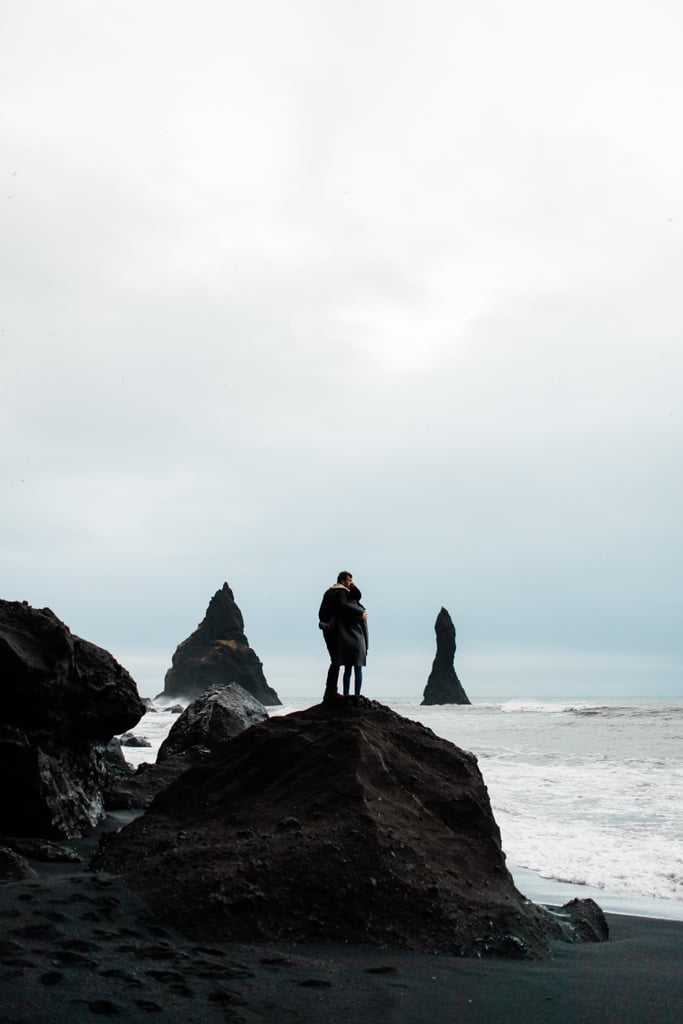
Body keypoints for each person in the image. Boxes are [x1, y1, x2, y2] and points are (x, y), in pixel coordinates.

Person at [318, 571, 368, 701]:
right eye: (349, 580)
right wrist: (361, 612)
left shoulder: (329, 592)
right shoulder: (341, 593)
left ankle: (334, 692)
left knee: (337, 662)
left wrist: (352, 585)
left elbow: (357, 596)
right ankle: (340, 693)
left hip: (331, 629)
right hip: (343, 632)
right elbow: (345, 604)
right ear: (342, 580)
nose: (351, 583)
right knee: (342, 663)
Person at [342, 583, 368, 697]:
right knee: (358, 670)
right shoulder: (361, 610)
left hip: (347, 641)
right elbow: (365, 629)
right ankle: (357, 694)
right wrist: (367, 645)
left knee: (347, 670)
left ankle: (346, 694)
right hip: (359, 642)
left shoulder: (344, 609)